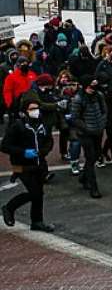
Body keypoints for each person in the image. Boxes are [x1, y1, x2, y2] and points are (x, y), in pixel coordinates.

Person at [1, 96, 55, 232]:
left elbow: (49, 140)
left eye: (37, 108)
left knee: (39, 193)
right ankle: (9, 207)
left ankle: (37, 221)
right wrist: (23, 152)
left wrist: (43, 151)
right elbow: (5, 146)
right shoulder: (17, 126)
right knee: (34, 193)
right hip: (22, 165)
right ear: (25, 111)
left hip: (39, 164)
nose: (35, 111)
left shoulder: (43, 125)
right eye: (32, 109)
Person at [70, 76, 107, 199]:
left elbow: (104, 111)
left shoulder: (99, 96)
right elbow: (75, 118)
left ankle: (84, 177)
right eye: (91, 87)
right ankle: (93, 187)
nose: (93, 90)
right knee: (90, 157)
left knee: (95, 156)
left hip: (98, 131)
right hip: (85, 133)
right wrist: (87, 128)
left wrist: (102, 124)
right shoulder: (78, 99)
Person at [3, 56, 37, 123]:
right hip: (17, 104)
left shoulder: (32, 74)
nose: (25, 65)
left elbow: (36, 88)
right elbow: (7, 91)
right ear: (18, 65)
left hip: (31, 103)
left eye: (26, 63)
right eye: (22, 63)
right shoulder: (11, 77)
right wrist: (9, 104)